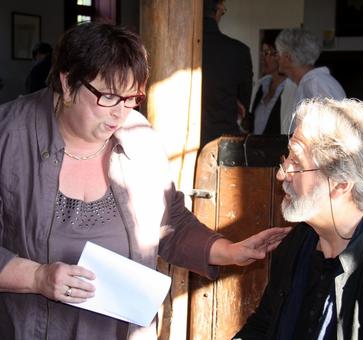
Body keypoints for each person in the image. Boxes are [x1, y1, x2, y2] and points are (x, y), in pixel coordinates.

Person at [0, 22, 290, 340]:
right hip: (31, 328)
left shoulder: (137, 136)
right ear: (68, 84)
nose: (120, 114)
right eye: (109, 97)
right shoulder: (10, 134)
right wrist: (37, 277)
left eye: (132, 98)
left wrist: (230, 251)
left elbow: (169, 222)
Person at [234, 98, 363, 339]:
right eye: (286, 157)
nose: (282, 174)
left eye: (297, 163)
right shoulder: (298, 243)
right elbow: (263, 326)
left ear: (341, 183)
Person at [201, 0, 253, 147]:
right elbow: (243, 107)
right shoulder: (238, 51)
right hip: (223, 143)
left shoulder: (175, 48)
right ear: (218, 9)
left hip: (176, 138)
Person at [275, 28, 346, 132]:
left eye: (278, 53)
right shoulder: (308, 83)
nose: (277, 58)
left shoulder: (315, 85)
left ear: (287, 57)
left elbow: (331, 133)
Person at [242, 30, 287, 135]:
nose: (263, 57)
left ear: (280, 55)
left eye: (267, 53)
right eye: (262, 52)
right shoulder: (262, 86)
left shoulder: (290, 89)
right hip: (256, 150)